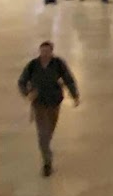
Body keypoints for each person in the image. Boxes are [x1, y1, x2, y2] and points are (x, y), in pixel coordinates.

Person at [16, 41, 80, 177]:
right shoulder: (33, 65)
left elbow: (68, 79)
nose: (44, 54)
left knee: (49, 129)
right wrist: (27, 93)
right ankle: (47, 162)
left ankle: (46, 147)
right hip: (39, 103)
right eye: (42, 51)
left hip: (54, 102)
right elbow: (22, 81)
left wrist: (75, 95)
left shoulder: (58, 64)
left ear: (52, 52)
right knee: (43, 134)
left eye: (47, 51)